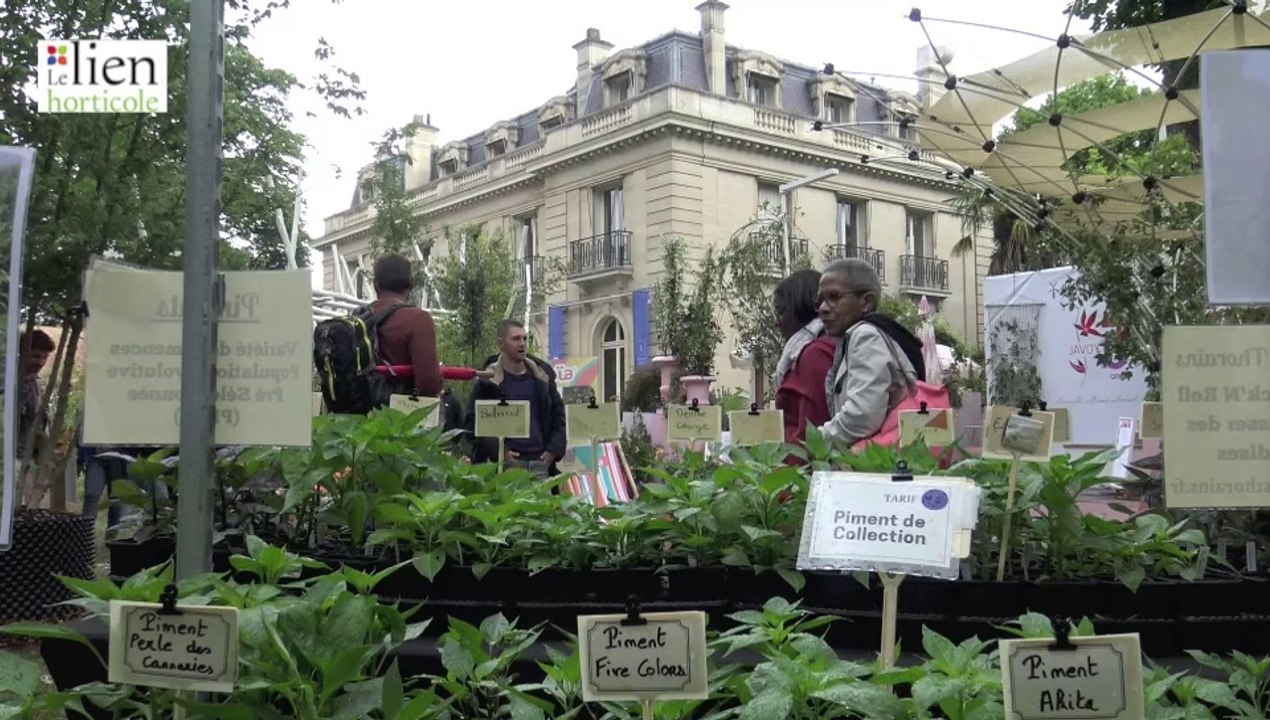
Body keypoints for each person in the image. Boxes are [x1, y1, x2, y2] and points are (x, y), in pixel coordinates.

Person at [816, 258, 927, 447]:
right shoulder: (874, 332)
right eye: (820, 300)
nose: (823, 309)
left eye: (834, 297)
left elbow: (863, 415)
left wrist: (817, 439)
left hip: (876, 465)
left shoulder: (865, 336)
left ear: (866, 302)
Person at [466, 319, 566, 478]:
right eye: (516, 339)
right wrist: (500, 452)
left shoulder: (542, 377)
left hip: (540, 463)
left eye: (524, 338)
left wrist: (552, 450)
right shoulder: (488, 381)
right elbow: (473, 423)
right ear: (501, 344)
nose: (522, 343)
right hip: (506, 466)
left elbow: (558, 415)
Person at [772, 269, 835, 445]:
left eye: (781, 311)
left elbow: (811, 431)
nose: (777, 322)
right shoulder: (818, 348)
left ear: (801, 308)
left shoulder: (814, 355)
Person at [369, 253, 444, 397]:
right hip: (398, 414)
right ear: (411, 283)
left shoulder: (357, 318)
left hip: (353, 411)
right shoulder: (417, 319)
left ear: (375, 284)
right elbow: (429, 384)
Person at [17, 329, 54, 460]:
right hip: (11, 456)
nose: (41, 363)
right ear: (22, 353)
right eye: (36, 356)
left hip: (26, 456)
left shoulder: (33, 382)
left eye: (45, 357)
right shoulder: (12, 379)